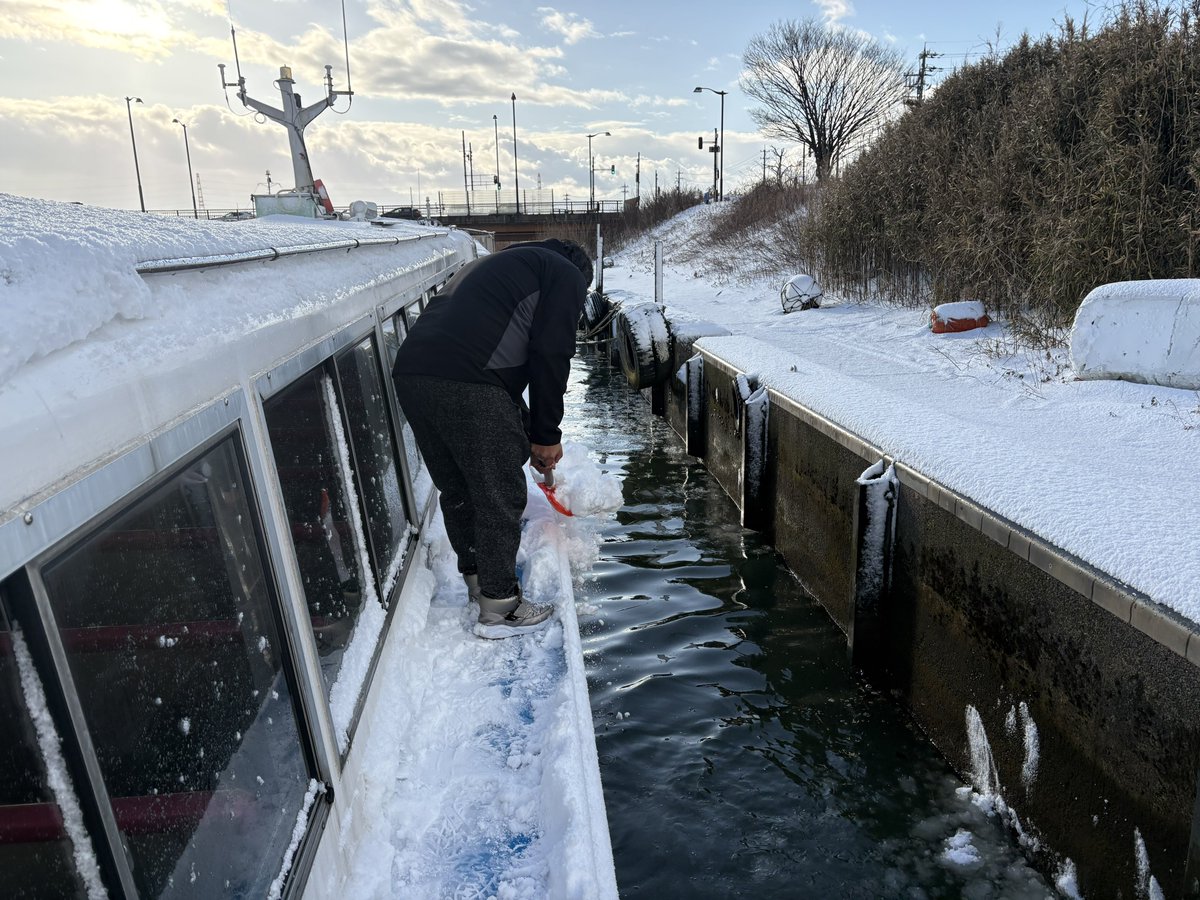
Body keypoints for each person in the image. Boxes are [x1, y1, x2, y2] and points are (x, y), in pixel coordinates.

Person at [391, 238, 593, 637]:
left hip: (412, 373)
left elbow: (497, 360)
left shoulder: (497, 265)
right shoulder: (566, 275)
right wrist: (547, 436)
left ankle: (479, 583)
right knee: (499, 491)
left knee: (458, 487)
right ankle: (501, 607)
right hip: (468, 380)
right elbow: (551, 353)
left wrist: (533, 431)